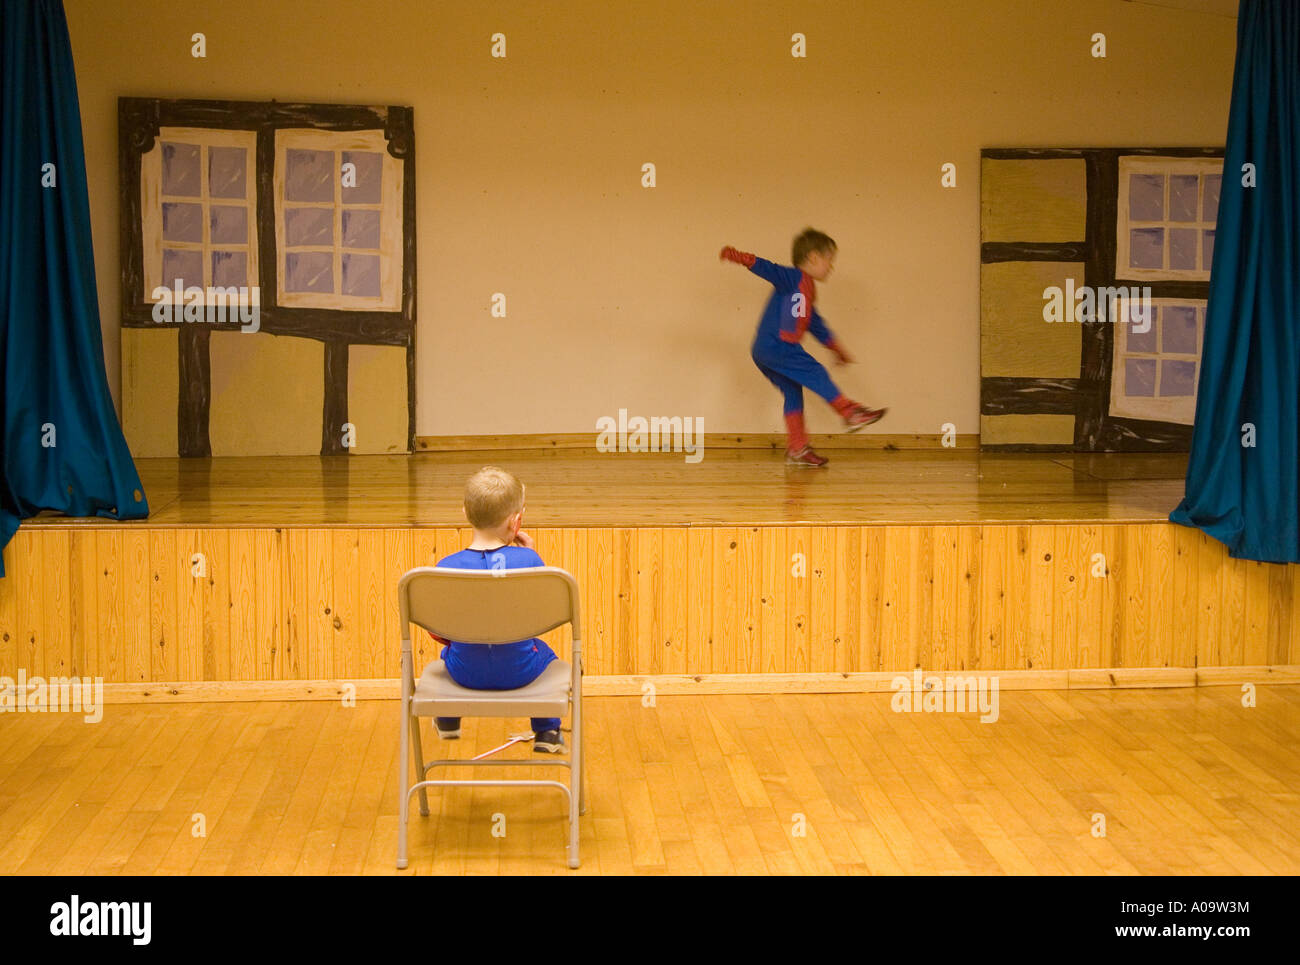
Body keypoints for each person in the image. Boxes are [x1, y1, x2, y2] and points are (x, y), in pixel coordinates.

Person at [721, 228, 885, 466]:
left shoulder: (807, 290)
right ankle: (850, 412)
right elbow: (767, 268)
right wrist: (737, 256)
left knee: (793, 393)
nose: (831, 268)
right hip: (777, 345)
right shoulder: (792, 278)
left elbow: (816, 324)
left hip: (765, 350)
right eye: (830, 261)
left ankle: (797, 449)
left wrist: (836, 349)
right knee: (815, 372)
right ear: (813, 257)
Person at [429, 466, 564, 753]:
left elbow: (436, 630)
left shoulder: (444, 568)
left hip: (465, 673)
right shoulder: (529, 560)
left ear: (465, 512)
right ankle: (548, 731)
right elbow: (541, 618)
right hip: (520, 671)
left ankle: (448, 719)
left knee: (447, 652)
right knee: (546, 651)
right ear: (517, 521)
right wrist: (531, 554)